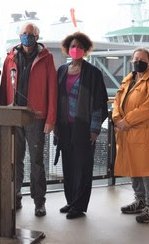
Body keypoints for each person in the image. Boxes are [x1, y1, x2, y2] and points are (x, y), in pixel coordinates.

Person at [1, 23, 57, 217]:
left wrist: (50, 119)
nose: (27, 37)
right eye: (24, 34)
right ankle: (15, 195)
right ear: (19, 35)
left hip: (36, 117)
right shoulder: (10, 57)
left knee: (37, 161)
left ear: (37, 36)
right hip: (14, 116)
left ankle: (39, 201)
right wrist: (3, 115)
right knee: (14, 160)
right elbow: (3, 87)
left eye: (31, 34)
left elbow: (52, 90)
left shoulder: (46, 58)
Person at [55, 32, 108, 219]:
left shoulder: (93, 73)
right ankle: (70, 202)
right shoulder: (61, 70)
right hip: (65, 127)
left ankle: (79, 206)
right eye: (72, 46)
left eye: (79, 46)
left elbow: (100, 103)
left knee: (83, 168)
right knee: (68, 167)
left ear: (85, 50)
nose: (75, 49)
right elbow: (55, 99)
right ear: (67, 49)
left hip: (83, 128)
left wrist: (94, 130)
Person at [112, 47, 149, 223]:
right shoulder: (129, 79)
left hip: (147, 132)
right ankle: (140, 200)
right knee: (135, 165)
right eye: (136, 58)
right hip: (130, 132)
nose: (138, 61)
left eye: (142, 59)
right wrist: (117, 118)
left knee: (148, 169)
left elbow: (148, 107)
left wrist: (126, 121)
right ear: (132, 60)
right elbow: (117, 101)